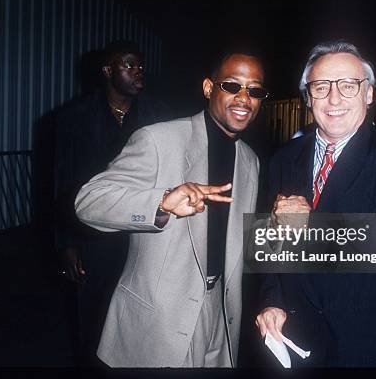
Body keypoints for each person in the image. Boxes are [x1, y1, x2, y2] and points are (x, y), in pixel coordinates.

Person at [73, 48, 268, 367]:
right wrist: (160, 203)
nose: (244, 98)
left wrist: (288, 222)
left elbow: (239, 244)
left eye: (255, 90)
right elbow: (89, 201)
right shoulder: (158, 140)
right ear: (209, 88)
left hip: (221, 315)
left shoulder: (250, 161)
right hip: (160, 320)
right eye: (232, 85)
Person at [255, 40, 376, 367]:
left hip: (368, 347)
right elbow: (270, 244)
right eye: (321, 87)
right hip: (296, 344)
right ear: (308, 97)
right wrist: (271, 301)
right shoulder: (283, 160)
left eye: (348, 86)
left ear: (368, 94)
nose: (334, 98)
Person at [53, 40, 171, 366]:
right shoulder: (72, 118)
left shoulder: (159, 115)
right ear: (108, 71)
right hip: (94, 236)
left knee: (141, 317)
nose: (139, 72)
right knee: (93, 318)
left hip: (144, 231)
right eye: (129, 65)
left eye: (141, 66)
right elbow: (62, 184)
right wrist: (67, 244)